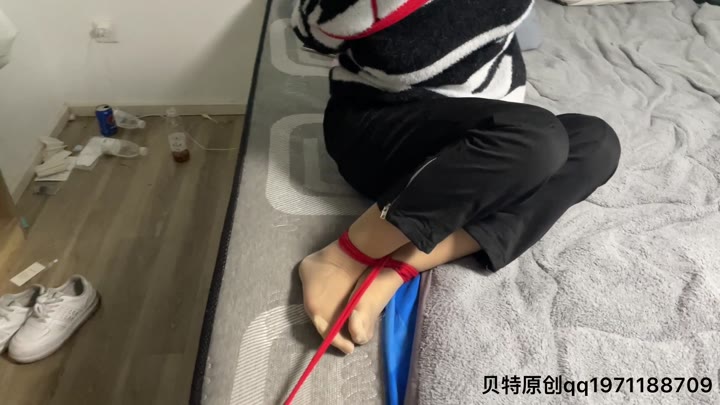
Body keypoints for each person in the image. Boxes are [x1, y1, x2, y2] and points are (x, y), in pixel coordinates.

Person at [292, 0, 621, 354]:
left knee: (596, 143)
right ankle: (343, 257)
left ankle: (398, 266)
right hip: (381, 119)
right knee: (537, 141)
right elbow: (311, 30)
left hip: (482, 127)